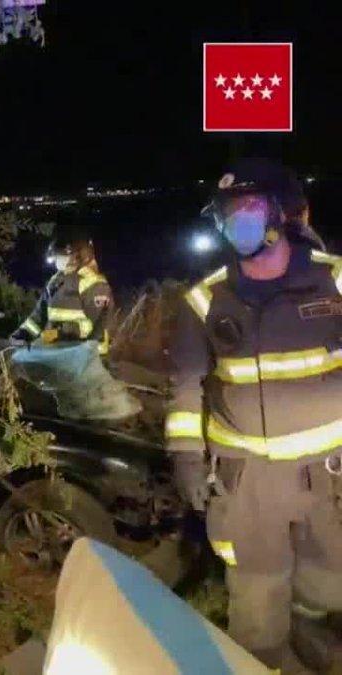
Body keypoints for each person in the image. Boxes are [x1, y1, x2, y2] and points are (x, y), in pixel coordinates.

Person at [167, 158, 342, 671]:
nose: (235, 222)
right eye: (227, 212)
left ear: (280, 213)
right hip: (247, 489)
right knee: (257, 603)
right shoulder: (203, 301)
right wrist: (187, 459)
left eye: (248, 207)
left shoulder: (335, 282)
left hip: (329, 478)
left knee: (330, 583)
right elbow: (185, 387)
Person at [13, 234, 114, 356]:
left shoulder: (94, 285)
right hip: (56, 355)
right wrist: (23, 334)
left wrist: (59, 333)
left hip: (86, 359)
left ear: (77, 256)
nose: (57, 260)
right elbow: (38, 317)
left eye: (62, 256)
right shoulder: (55, 281)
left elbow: (98, 325)